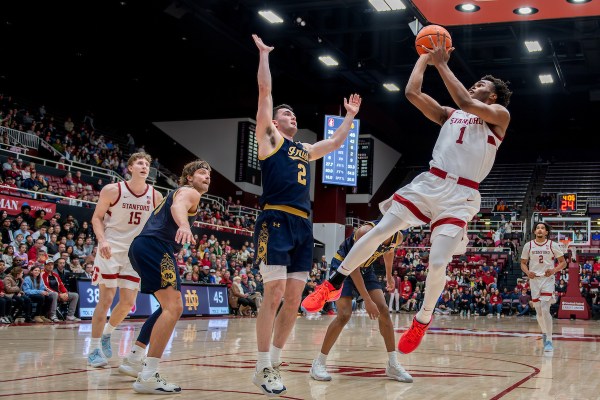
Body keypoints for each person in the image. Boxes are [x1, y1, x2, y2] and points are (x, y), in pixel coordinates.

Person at [302, 34, 511, 357]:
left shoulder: (498, 116)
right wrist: (425, 58)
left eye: (481, 83)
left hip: (461, 195)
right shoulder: (450, 115)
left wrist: (442, 63)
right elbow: (412, 93)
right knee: (381, 230)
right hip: (430, 183)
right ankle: (332, 282)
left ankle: (422, 320)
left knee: (438, 260)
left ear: (493, 94)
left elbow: (469, 103)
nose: (474, 85)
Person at [251, 33, 362, 397]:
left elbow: (334, 144)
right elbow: (265, 94)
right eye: (287, 113)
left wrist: (348, 117)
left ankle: (276, 362)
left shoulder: (303, 149)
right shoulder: (270, 139)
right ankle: (261, 364)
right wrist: (265, 56)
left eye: (293, 113)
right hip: (275, 219)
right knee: (274, 293)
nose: (292, 115)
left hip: (303, 224)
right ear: (275, 122)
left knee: (294, 299)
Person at [119, 160, 210, 394]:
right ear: (189, 177)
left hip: (142, 246)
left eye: (209, 174)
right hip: (155, 246)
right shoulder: (189, 192)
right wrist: (184, 226)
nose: (207, 176)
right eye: (201, 173)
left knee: (166, 307)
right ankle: (148, 374)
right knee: (174, 307)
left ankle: (134, 358)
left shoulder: (181, 192)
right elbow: (177, 207)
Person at [309, 222, 412, 383]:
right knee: (344, 315)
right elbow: (353, 266)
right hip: (343, 266)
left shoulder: (397, 235)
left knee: (384, 310)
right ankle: (319, 363)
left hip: (366, 268)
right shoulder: (365, 232)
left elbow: (389, 251)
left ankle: (393, 364)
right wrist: (368, 300)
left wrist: (389, 274)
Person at [87, 153, 162, 368]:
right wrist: (102, 241)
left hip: (135, 252)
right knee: (107, 299)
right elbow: (96, 217)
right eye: (140, 163)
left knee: (128, 302)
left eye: (147, 164)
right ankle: (93, 349)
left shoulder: (155, 196)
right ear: (130, 168)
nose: (144, 166)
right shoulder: (112, 190)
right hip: (111, 248)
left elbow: (156, 226)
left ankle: (107, 334)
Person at [520, 222, 566, 352]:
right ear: (535, 231)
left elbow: (563, 262)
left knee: (545, 309)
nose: (540, 230)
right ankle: (545, 332)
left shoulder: (553, 245)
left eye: (542, 228)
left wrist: (553, 270)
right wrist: (528, 272)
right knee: (539, 311)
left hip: (548, 279)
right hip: (534, 280)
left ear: (546, 232)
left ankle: (549, 340)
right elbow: (523, 263)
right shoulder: (528, 246)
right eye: (538, 228)